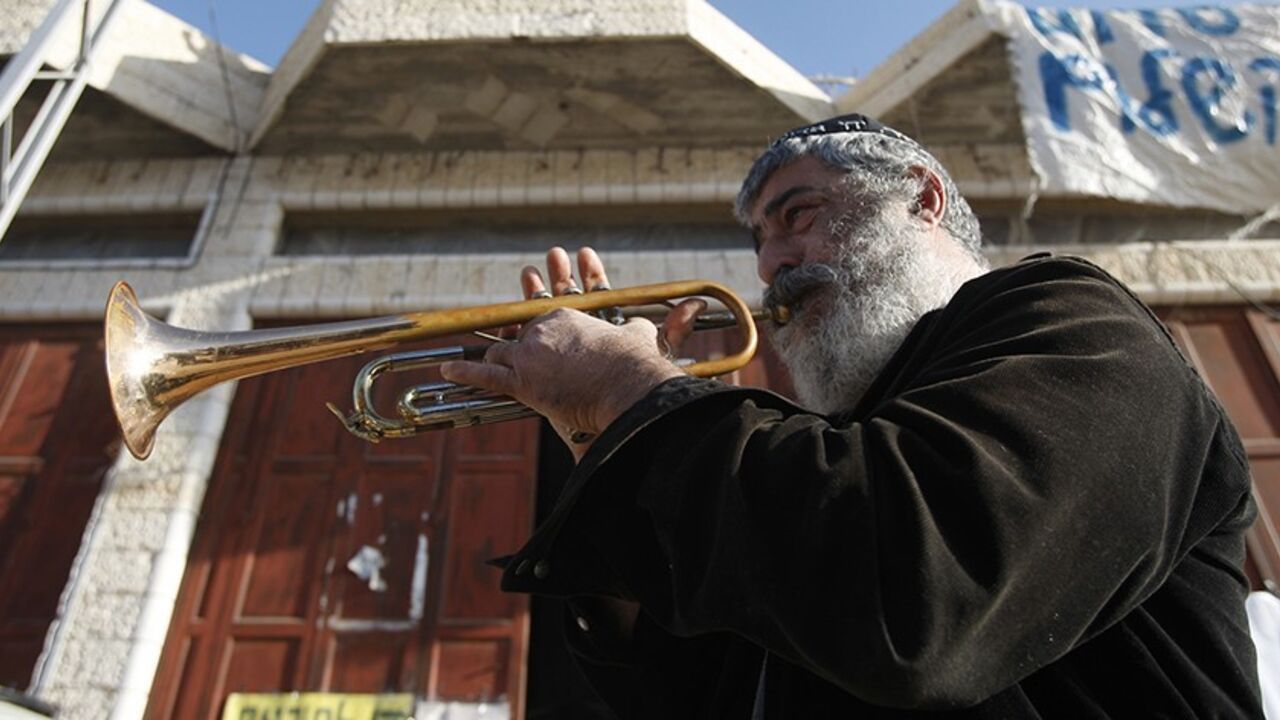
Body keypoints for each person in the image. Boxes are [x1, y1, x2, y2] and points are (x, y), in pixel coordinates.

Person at [440, 114, 1263, 717]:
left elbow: (915, 600)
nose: (772, 264)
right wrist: (604, 440)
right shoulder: (844, 445)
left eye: (798, 214)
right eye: (759, 241)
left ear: (924, 197)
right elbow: (720, 687)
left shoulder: (1074, 321)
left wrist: (637, 391)